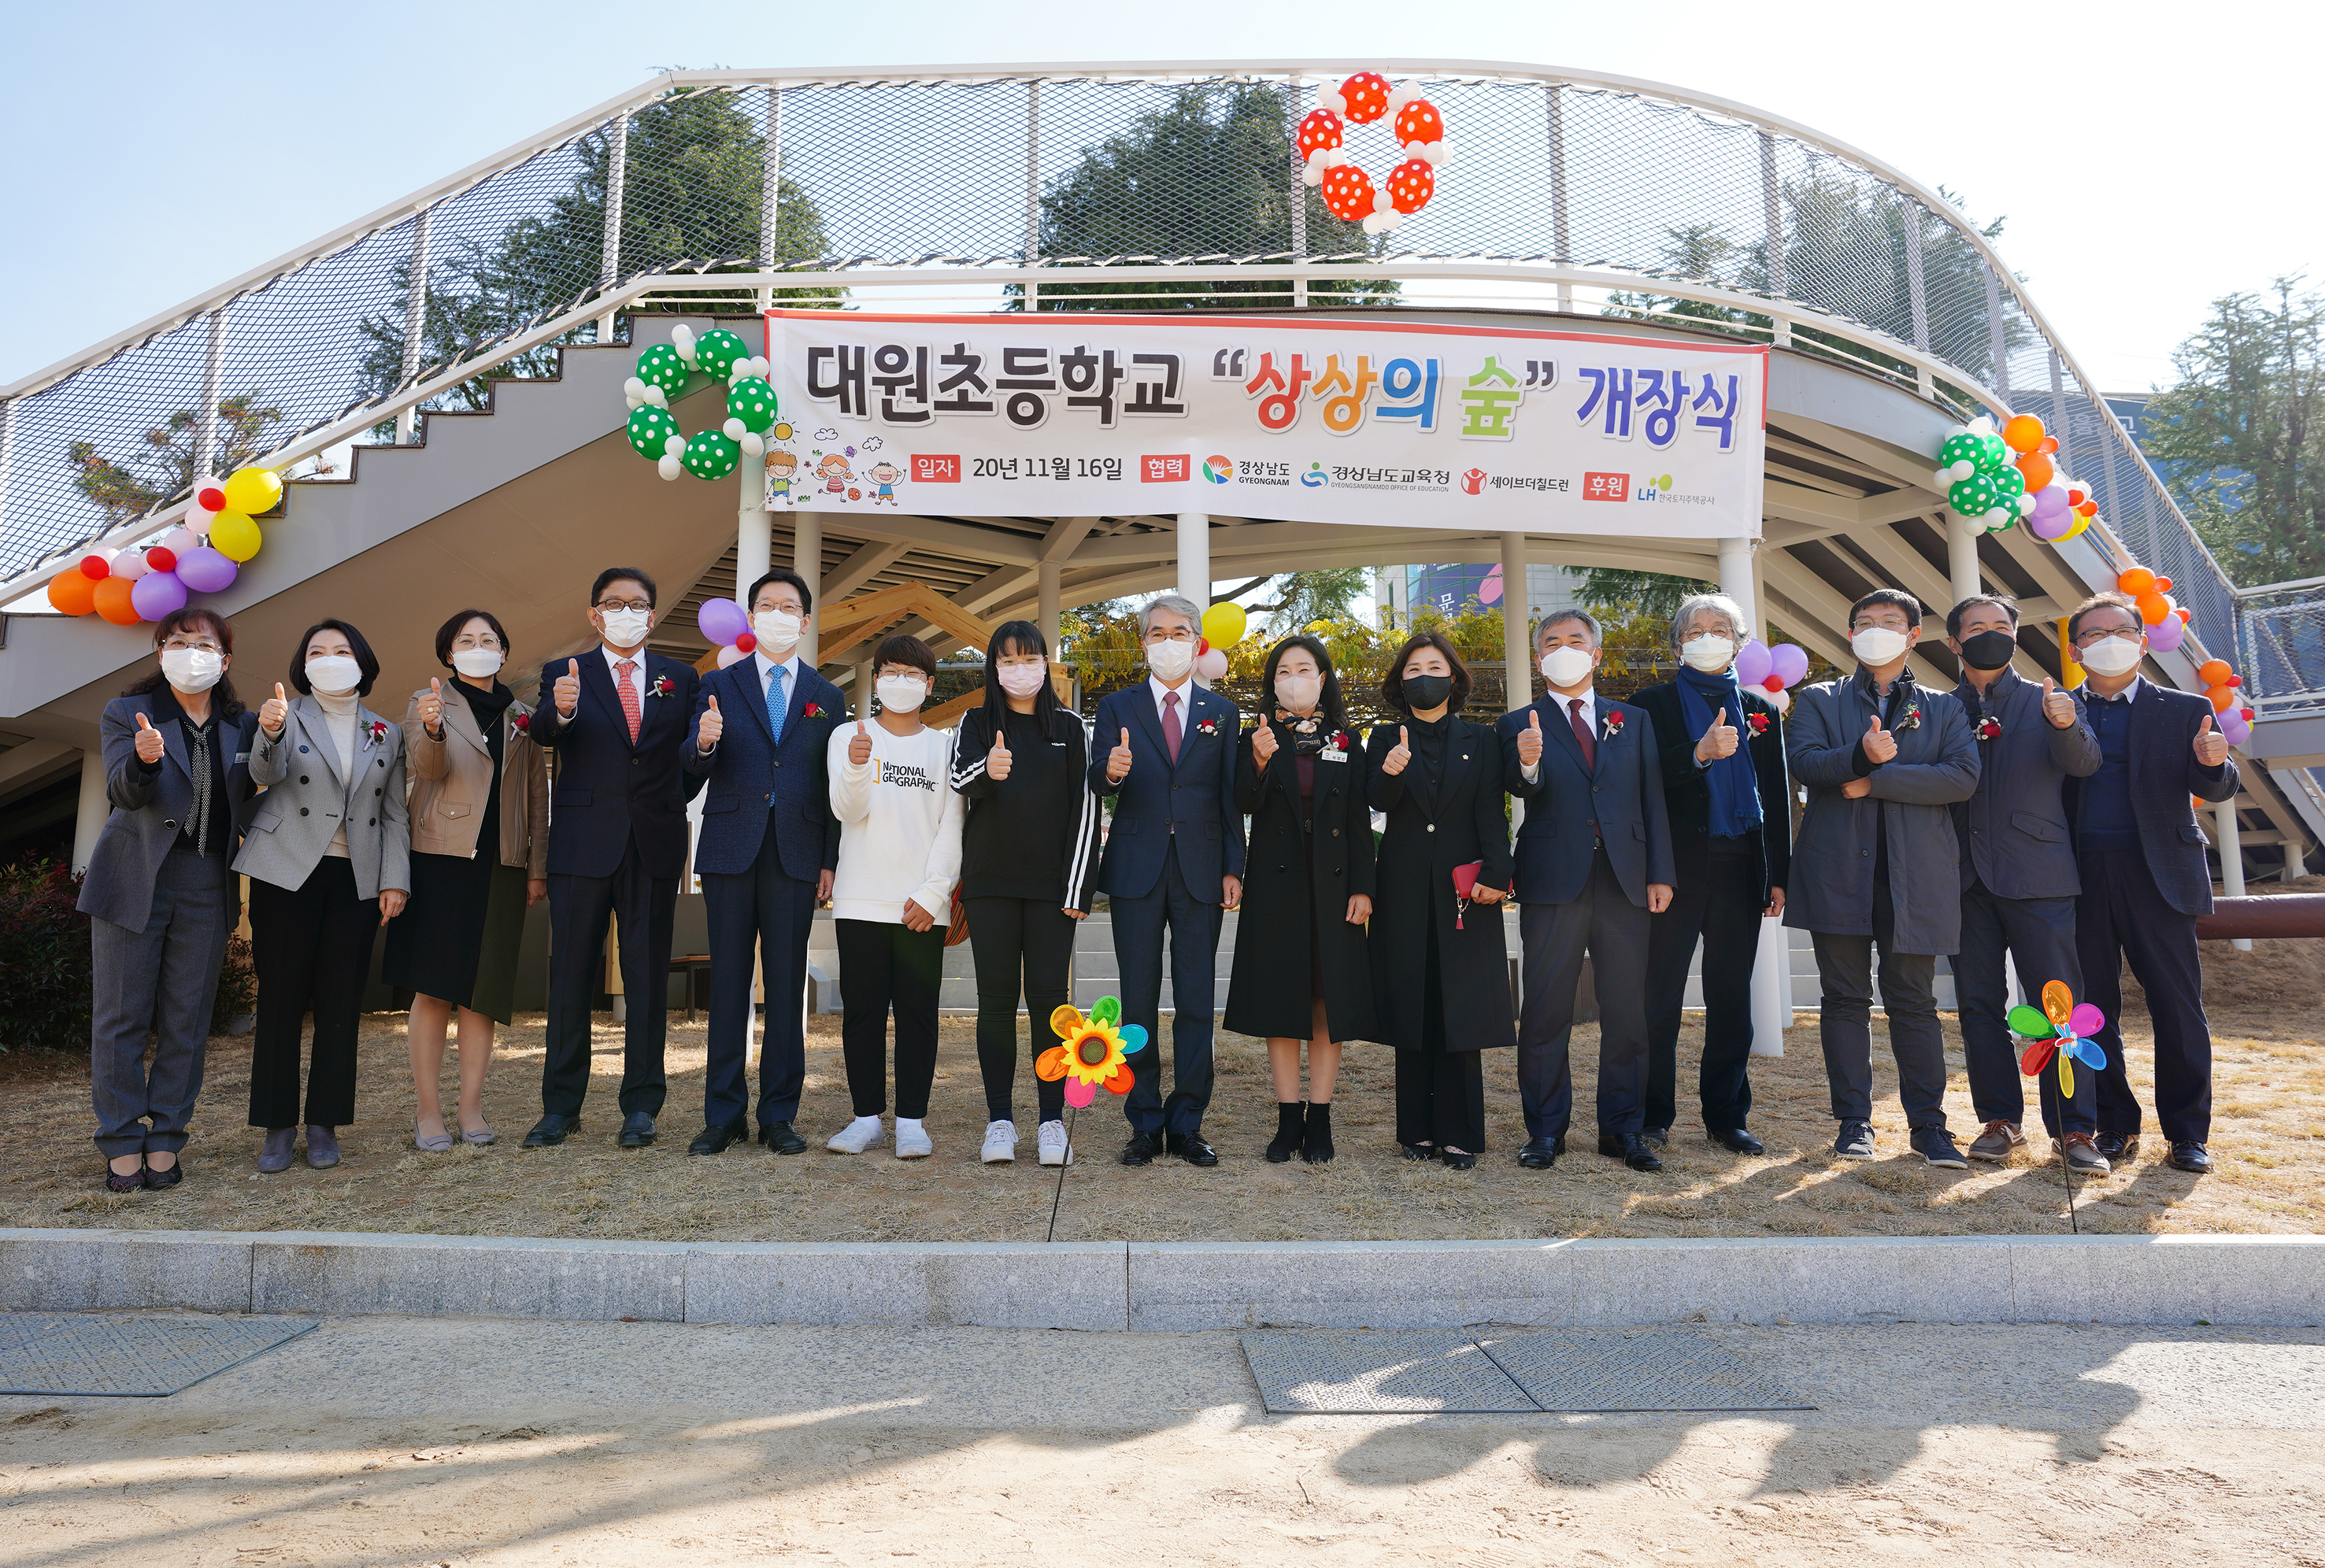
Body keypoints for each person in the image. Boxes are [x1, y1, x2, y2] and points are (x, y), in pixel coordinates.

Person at [1785, 589, 1979, 1167]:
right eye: (1864, 622)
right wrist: (1858, 754)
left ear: (1912, 634)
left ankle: (1929, 1127)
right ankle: (1852, 1124)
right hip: (1837, 871)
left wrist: (1876, 777)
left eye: (1890, 623)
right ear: (1849, 634)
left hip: (1914, 877)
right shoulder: (1818, 699)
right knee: (1843, 999)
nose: (1876, 630)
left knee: (1913, 1002)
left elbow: (1961, 777)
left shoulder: (1943, 707)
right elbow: (1805, 762)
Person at [79, 608, 260, 1192]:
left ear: (224, 659)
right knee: (121, 1017)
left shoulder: (244, 723)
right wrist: (145, 760)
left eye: (203, 643)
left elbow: (265, 786)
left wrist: (277, 737)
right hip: (134, 876)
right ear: (159, 653)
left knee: (187, 1020)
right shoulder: (128, 713)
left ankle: (167, 1138)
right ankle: (121, 1139)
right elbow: (121, 791)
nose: (190, 651)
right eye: (177, 642)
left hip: (207, 879)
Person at [2060, 591, 2238, 1174]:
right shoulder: (2057, 711)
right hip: (2077, 875)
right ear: (2075, 647)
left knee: (2177, 1005)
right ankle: (2113, 1124)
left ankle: (2188, 1133)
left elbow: (2214, 787)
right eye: (2093, 632)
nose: (2107, 640)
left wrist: (2214, 761)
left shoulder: (2185, 709)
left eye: (2120, 629)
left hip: (2158, 873)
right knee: (2091, 1010)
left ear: (2141, 639)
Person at [524, 568, 702, 1151]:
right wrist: (564, 711)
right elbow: (546, 735)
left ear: (653, 615)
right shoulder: (563, 672)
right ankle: (560, 1107)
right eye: (614, 603)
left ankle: (642, 1106)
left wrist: (703, 747)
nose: (627, 611)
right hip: (581, 843)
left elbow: (688, 764)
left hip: (653, 844)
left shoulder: (681, 677)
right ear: (594, 614)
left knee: (647, 978)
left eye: (638, 604)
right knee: (570, 976)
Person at [1499, 608, 1675, 1173]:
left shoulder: (1633, 719)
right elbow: (1518, 785)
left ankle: (1622, 1130)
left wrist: (1660, 872)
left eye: (1576, 640)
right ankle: (1545, 1132)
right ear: (1538, 658)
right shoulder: (1516, 722)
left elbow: (1651, 798)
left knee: (1627, 1012)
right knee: (1546, 1010)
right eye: (1552, 642)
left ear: (1596, 654)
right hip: (1553, 879)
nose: (1564, 648)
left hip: (1625, 880)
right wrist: (1527, 765)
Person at [237, 619, 411, 1173]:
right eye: (317, 650)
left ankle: (324, 1124)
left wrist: (395, 878)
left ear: (362, 661)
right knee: (281, 1000)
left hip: (355, 877)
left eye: (341, 650)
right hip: (285, 870)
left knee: (341, 1005)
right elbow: (265, 773)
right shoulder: (284, 715)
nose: (329, 658)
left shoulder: (387, 729)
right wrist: (267, 732)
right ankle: (277, 1126)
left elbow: (395, 814)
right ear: (302, 663)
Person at [683, 568, 842, 1156]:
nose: (778, 614)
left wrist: (829, 858)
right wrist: (701, 741)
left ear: (803, 621)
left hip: (797, 852)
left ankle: (779, 1113)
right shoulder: (718, 683)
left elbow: (831, 786)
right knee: (728, 984)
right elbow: (689, 767)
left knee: (784, 987)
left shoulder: (827, 697)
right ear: (752, 619)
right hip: (730, 848)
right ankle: (722, 1115)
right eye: (767, 605)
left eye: (789, 606)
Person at [1945, 594, 2104, 1170]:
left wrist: (2063, 725)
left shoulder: (2048, 698)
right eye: (1976, 628)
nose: (1990, 634)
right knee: (1978, 1003)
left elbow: (2084, 762)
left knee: (2058, 1005)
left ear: (2014, 635)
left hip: (2039, 873)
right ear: (1954, 643)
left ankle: (2075, 1129)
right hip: (1963, 878)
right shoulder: (1938, 707)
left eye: (2000, 626)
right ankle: (1998, 1120)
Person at [1627, 594, 1789, 1159]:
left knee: (1729, 1000)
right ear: (1676, 645)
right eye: (1695, 631)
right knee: (1658, 1000)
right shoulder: (1647, 705)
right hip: (1670, 873)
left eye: (1720, 629)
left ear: (1739, 643)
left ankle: (1726, 1116)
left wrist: (1777, 874)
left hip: (1740, 868)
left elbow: (1776, 795)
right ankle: (1650, 1116)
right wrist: (1694, 755)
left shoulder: (1757, 708)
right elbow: (1635, 783)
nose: (1707, 637)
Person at [1087, 594, 1245, 1168]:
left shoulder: (1222, 713)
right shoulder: (1116, 707)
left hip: (1202, 868)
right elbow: (1097, 777)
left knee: (1197, 1000)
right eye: (1157, 632)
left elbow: (1229, 796)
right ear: (1143, 642)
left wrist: (1234, 865)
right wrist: (1109, 771)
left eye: (1180, 631)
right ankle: (1143, 1121)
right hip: (1136, 867)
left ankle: (1187, 1124)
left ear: (1197, 641)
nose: (1168, 641)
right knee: (1137, 1000)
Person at [385, 609, 549, 1152]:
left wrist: (536, 867)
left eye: (489, 640)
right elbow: (425, 769)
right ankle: (428, 1112)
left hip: (501, 864)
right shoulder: (425, 703)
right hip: (438, 857)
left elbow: (534, 797)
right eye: (466, 640)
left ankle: (471, 1108)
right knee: (433, 989)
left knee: (483, 994)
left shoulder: (523, 716)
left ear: (504, 653)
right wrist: (431, 728)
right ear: (449, 654)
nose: (478, 647)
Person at [949, 620, 1101, 1168]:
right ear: (993, 667)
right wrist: (989, 770)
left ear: (1045, 663)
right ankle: (998, 1122)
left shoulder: (1068, 726)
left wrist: (1078, 886)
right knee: (993, 1002)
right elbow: (959, 781)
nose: (1020, 669)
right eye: (1008, 660)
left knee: (1048, 1003)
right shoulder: (974, 721)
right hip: (989, 884)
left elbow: (1086, 811)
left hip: (1050, 891)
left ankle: (1051, 1121)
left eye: (1030, 658)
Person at [1224, 634, 1377, 1164]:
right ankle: (1288, 1117)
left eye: (1304, 669)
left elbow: (1358, 816)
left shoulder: (1345, 738)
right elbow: (1242, 802)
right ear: (1272, 684)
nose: (1294, 679)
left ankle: (1321, 1116)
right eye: (1283, 671)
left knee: (1323, 999)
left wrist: (1363, 886)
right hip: (1276, 884)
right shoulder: (1257, 736)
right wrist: (1260, 764)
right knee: (1280, 999)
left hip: (1333, 885)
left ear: (1323, 677)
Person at [1367, 632, 1514, 1169]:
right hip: (1402, 885)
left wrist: (1499, 871)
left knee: (1462, 1006)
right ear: (1398, 682)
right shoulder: (1384, 737)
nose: (1422, 675)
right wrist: (1388, 771)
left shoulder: (1482, 737)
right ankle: (1415, 1132)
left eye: (1433, 666)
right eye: (1411, 669)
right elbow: (1375, 801)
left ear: (1453, 677)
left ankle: (1459, 1133)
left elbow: (1489, 811)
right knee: (1412, 1006)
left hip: (1465, 888)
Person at [823, 635, 964, 1159]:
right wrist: (859, 765)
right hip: (860, 899)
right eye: (890, 672)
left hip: (920, 908)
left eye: (912, 674)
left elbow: (953, 826)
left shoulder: (945, 746)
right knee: (861, 1012)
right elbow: (846, 811)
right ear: (876, 678)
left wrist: (933, 894)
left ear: (928, 685)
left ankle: (911, 1120)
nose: (900, 682)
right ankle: (865, 1119)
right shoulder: (848, 736)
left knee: (917, 1013)